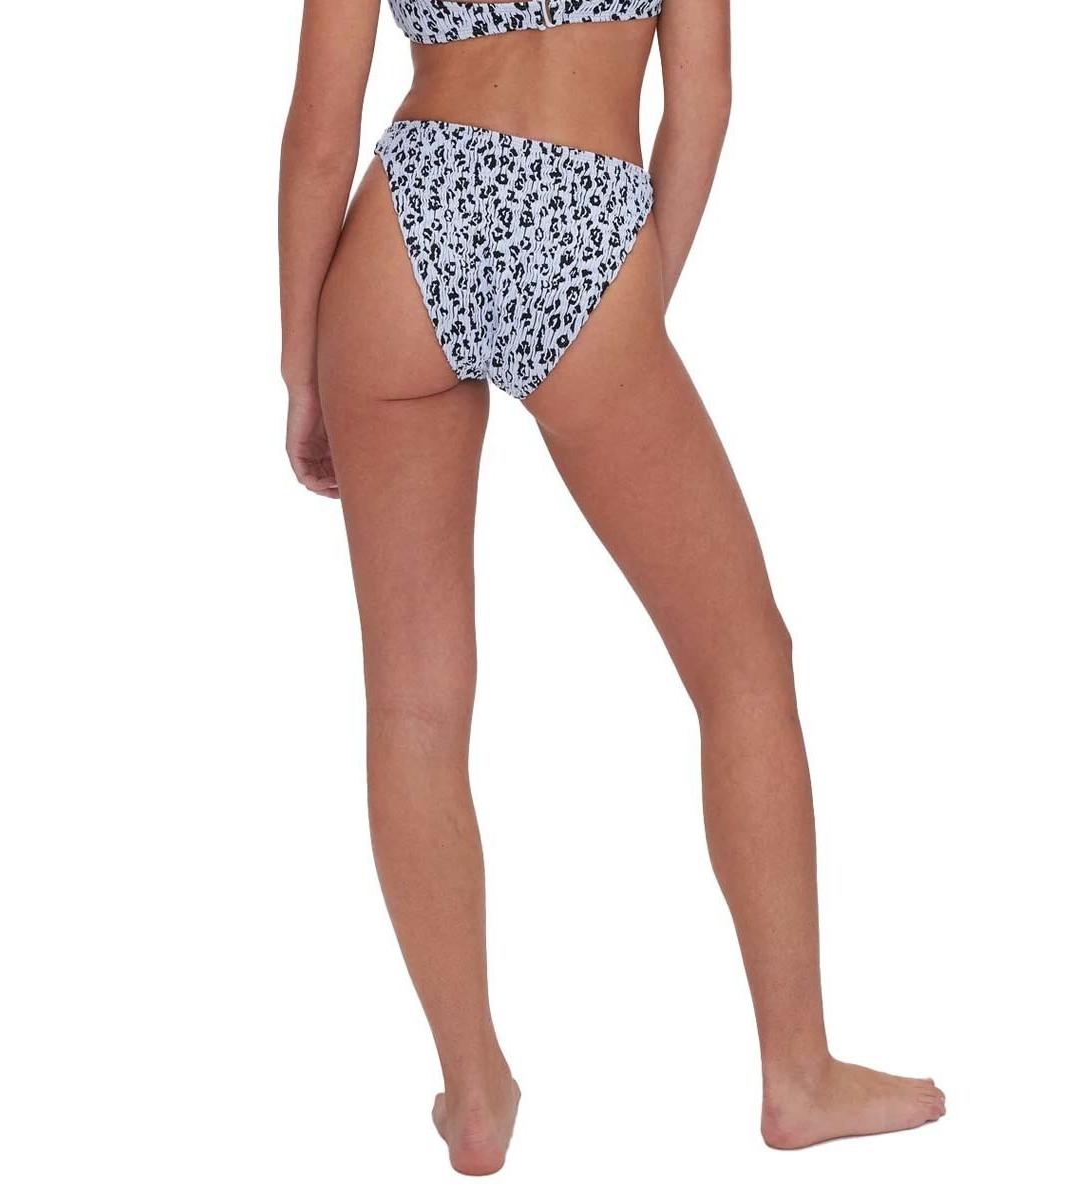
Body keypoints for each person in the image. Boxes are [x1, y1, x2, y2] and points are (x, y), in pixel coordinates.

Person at [279, 0, 944, 1175]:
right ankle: (798, 1072)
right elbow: (705, 99)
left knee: (414, 708)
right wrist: (630, 295)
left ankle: (473, 1093)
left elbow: (318, 143)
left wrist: (302, 373)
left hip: (406, 227)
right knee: (744, 666)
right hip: (582, 212)